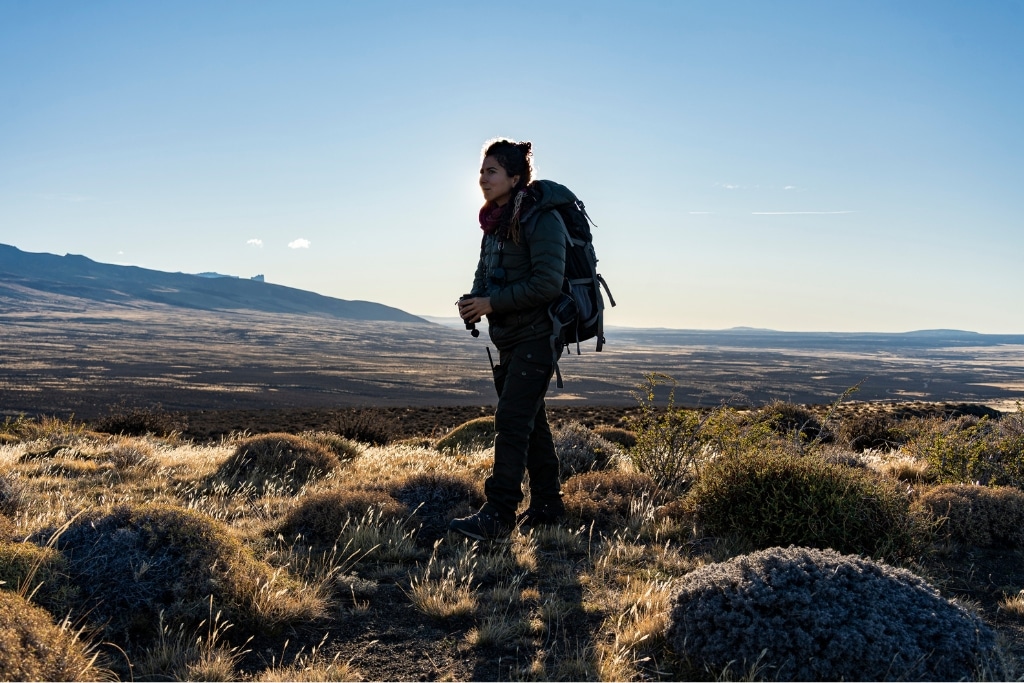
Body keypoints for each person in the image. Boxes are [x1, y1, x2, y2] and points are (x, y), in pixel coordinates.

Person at [449, 138, 570, 542]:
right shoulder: (495, 224)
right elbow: (485, 276)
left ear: (515, 177)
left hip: (539, 334)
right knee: (532, 423)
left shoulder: (541, 220)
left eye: (491, 171)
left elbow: (548, 283)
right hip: (510, 337)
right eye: (482, 171)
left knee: (512, 420)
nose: (482, 179)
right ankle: (549, 507)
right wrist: (475, 300)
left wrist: (491, 302)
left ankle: (499, 514)